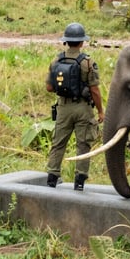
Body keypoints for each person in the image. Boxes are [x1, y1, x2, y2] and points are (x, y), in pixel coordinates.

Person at [45, 22, 104, 191]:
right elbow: (95, 90)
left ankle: (52, 177)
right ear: (81, 42)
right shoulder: (87, 62)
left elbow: (49, 87)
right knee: (83, 144)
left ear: (66, 41)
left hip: (63, 108)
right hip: (83, 108)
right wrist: (100, 111)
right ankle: (79, 181)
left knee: (58, 143)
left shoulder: (56, 60)